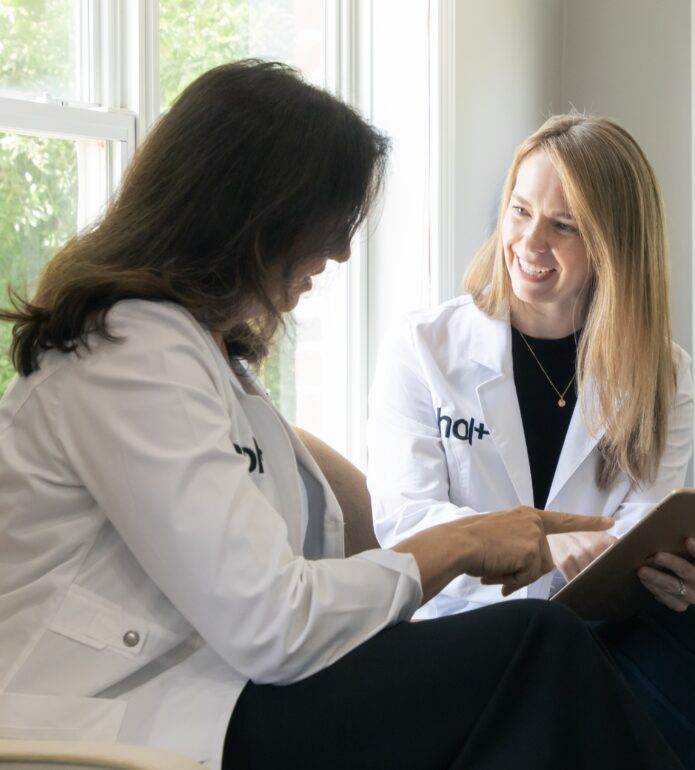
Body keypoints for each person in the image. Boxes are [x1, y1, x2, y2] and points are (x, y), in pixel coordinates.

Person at [0, 67, 685, 770]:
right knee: (535, 648)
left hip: (217, 684)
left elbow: (283, 579)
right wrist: (463, 542)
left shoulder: (208, 361)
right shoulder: (131, 351)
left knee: (561, 670)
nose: (340, 252)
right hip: (121, 710)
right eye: (331, 222)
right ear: (254, 213)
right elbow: (274, 621)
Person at [367, 113, 695, 764]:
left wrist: (671, 573)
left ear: (613, 243)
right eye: (519, 211)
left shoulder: (665, 373)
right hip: (460, 629)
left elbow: (638, 530)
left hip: (600, 627)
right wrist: (546, 546)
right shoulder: (422, 347)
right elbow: (404, 520)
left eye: (562, 225)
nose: (528, 241)